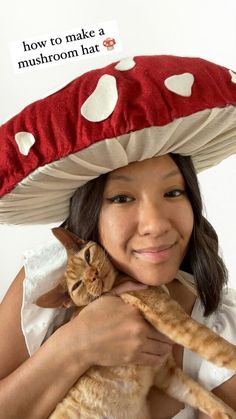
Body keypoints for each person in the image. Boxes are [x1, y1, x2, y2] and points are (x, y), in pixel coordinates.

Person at [0, 55, 236, 419]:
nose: (155, 224)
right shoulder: (46, 281)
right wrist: (74, 346)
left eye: (173, 193)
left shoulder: (219, 326)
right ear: (90, 215)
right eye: (122, 198)